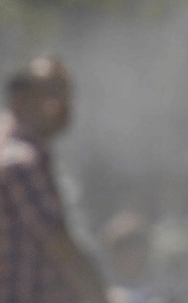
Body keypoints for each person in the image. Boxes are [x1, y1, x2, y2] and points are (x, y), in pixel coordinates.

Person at [1, 55, 114, 303]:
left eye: (67, 93)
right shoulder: (21, 161)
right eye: (51, 92)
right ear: (20, 99)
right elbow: (62, 251)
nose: (63, 103)